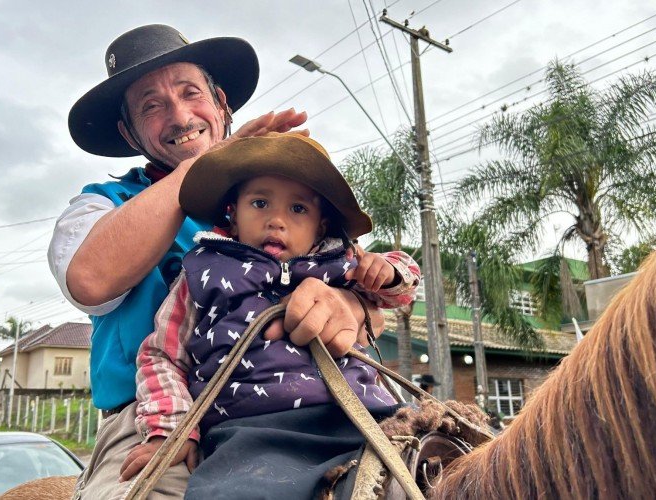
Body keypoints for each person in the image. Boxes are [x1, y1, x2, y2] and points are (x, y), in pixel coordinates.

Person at [48, 24, 392, 498]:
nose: (180, 115)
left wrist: (349, 306)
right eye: (152, 106)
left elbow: (375, 295)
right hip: (154, 423)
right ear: (129, 132)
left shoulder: (283, 199)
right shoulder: (100, 206)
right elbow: (90, 278)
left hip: (312, 403)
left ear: (222, 104)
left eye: (191, 93)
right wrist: (210, 165)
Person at [122, 133, 420, 497]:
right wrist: (173, 429)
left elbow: (402, 292)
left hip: (363, 415)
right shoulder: (201, 273)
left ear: (321, 227)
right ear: (232, 216)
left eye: (298, 209)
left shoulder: (343, 264)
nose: (277, 220)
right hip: (250, 431)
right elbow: (161, 354)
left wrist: (386, 270)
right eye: (260, 203)